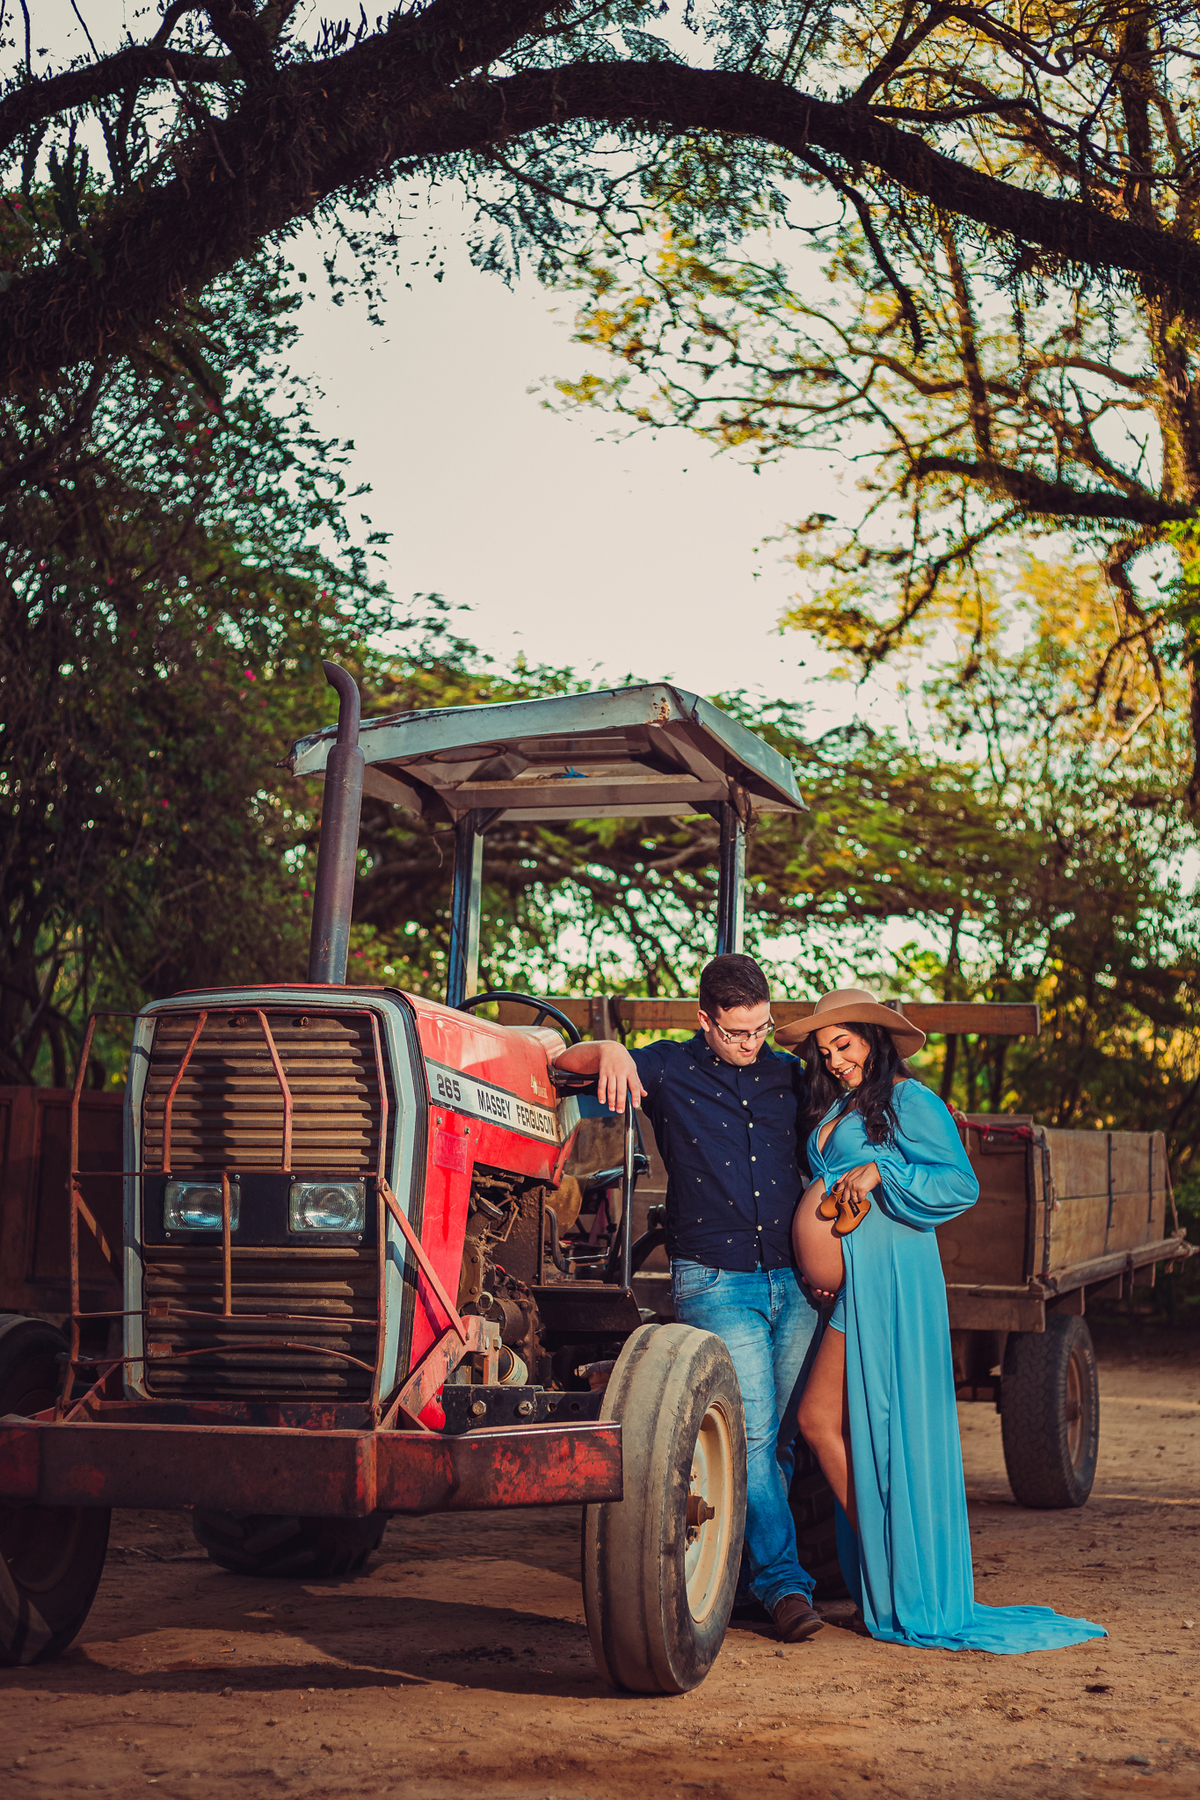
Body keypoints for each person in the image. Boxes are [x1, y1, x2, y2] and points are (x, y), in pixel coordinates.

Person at [778, 987, 1105, 1653]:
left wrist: (880, 1172)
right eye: (824, 1050)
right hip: (853, 1284)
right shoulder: (837, 1105)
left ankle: (901, 1573)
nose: (835, 1059)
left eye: (844, 1044)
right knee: (842, 1425)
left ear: (874, 1037)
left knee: (823, 1420)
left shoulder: (909, 1100)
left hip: (893, 1277)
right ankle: (893, 1571)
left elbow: (959, 1183)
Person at [550, 953, 825, 1643]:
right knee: (750, 1438)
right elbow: (562, 1064)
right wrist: (608, 1049)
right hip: (716, 1279)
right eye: (737, 1032)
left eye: (762, 1028)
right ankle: (785, 1585)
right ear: (706, 1021)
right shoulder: (669, 1067)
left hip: (792, 1280)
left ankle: (743, 1575)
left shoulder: (788, 1076)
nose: (752, 1043)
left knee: (778, 1440)